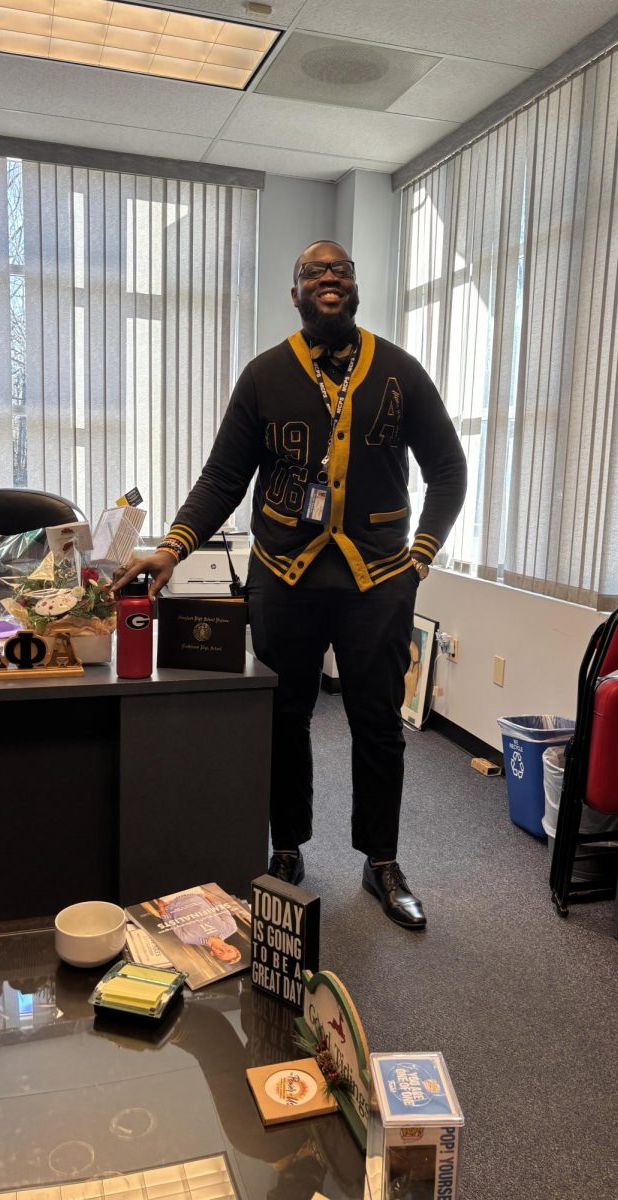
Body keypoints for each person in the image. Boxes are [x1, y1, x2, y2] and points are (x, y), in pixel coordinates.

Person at [115, 240, 467, 929]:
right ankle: (288, 849)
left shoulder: (399, 371)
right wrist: (172, 546)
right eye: (313, 271)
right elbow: (222, 478)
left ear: (355, 287)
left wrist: (420, 557)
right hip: (283, 577)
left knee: (378, 725)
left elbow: (448, 470)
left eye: (340, 270)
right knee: (284, 718)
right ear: (295, 292)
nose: (329, 278)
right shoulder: (264, 376)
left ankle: (383, 861)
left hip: (378, 583)